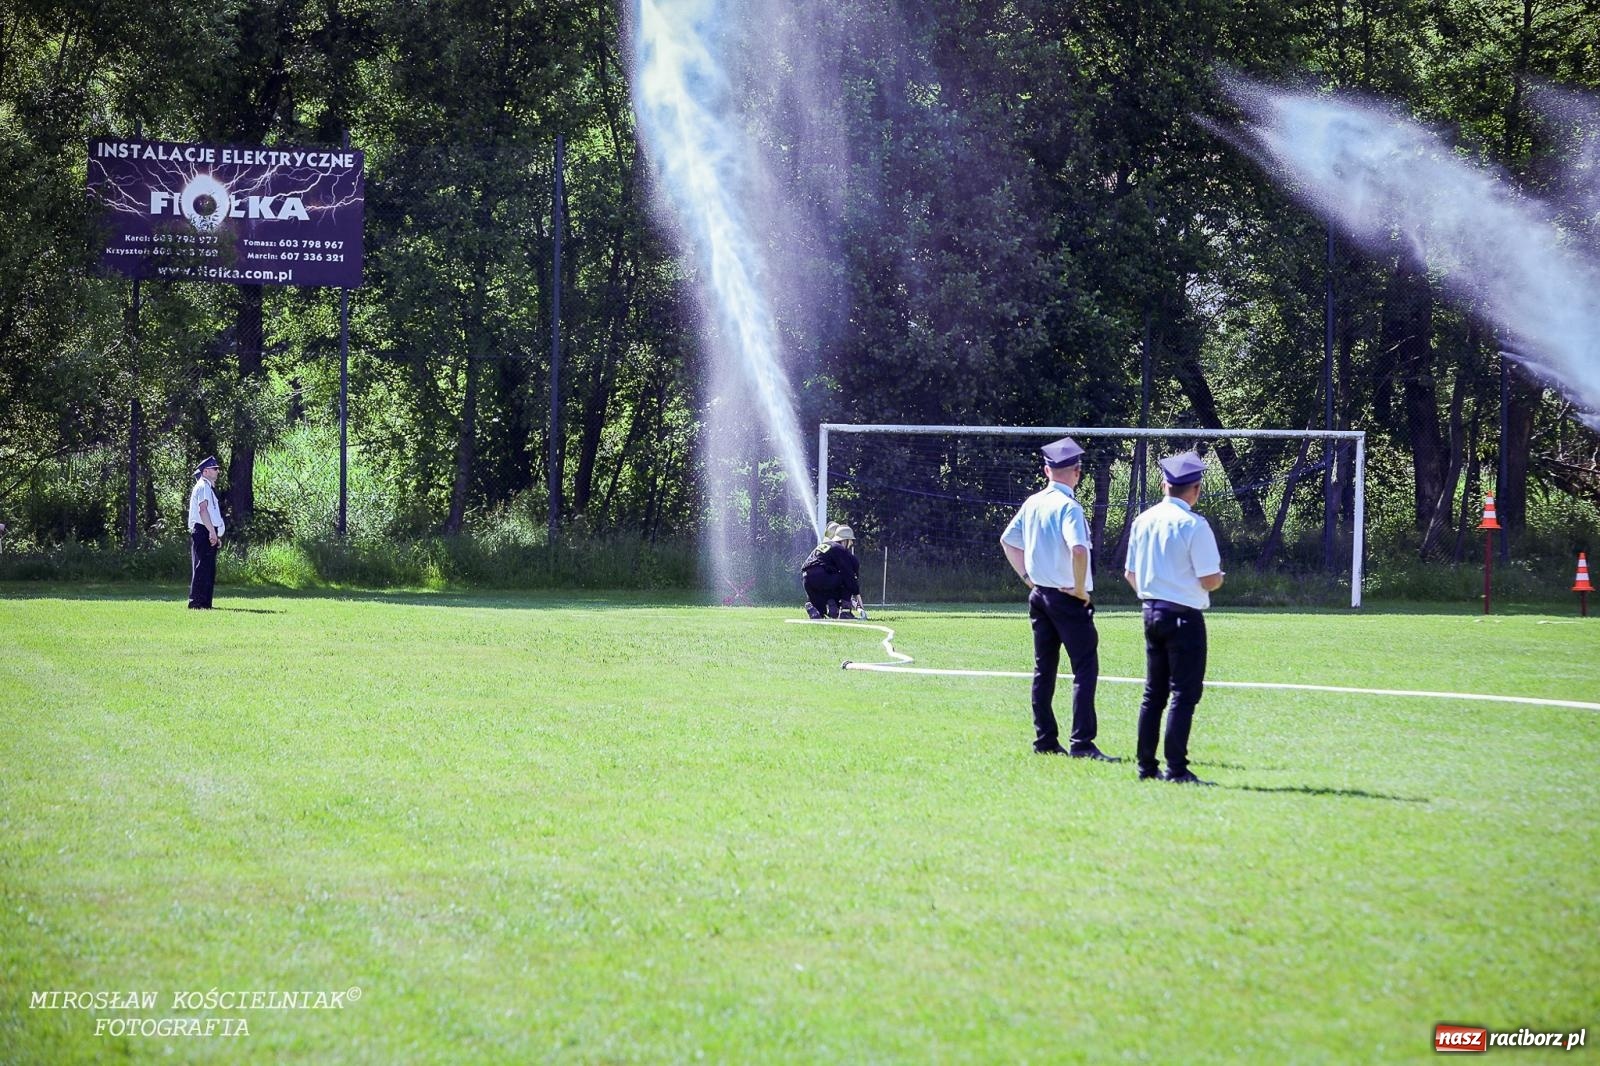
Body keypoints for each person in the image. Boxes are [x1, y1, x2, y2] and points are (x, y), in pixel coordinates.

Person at [1000, 437, 1116, 760]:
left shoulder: (1033, 502)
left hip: (1040, 595)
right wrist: (1079, 588)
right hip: (1067, 597)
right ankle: (1082, 743)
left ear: (1046, 470)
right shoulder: (1069, 507)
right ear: (1077, 472)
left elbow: (1008, 541)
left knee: (1044, 669)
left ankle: (1045, 739)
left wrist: (1028, 578)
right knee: (1085, 668)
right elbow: (1078, 549)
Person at [1123, 450, 1226, 785]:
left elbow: (1130, 573)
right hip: (1183, 615)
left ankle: (1145, 766)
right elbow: (1209, 579)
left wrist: (1154, 592)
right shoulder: (1194, 525)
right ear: (1196, 489)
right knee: (1183, 693)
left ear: (1164, 485)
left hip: (1151, 611)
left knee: (1153, 693)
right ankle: (1176, 769)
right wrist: (1218, 579)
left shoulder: (1143, 520)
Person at [187, 456, 225, 609]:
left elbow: (212, 514)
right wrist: (211, 532)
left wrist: (215, 533)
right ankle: (196, 602)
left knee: (208, 568)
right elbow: (203, 510)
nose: (217, 471)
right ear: (206, 471)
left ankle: (205, 603)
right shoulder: (203, 486)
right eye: (215, 468)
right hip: (203, 530)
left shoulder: (208, 488)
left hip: (208, 529)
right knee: (202, 567)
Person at [801, 523, 862, 619]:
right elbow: (848, 574)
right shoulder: (839, 549)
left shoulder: (824, 546)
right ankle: (845, 611)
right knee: (847, 579)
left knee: (821, 614)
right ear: (844, 540)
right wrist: (856, 592)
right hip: (821, 577)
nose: (851, 543)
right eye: (850, 540)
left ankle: (815, 607)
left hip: (807, 580)